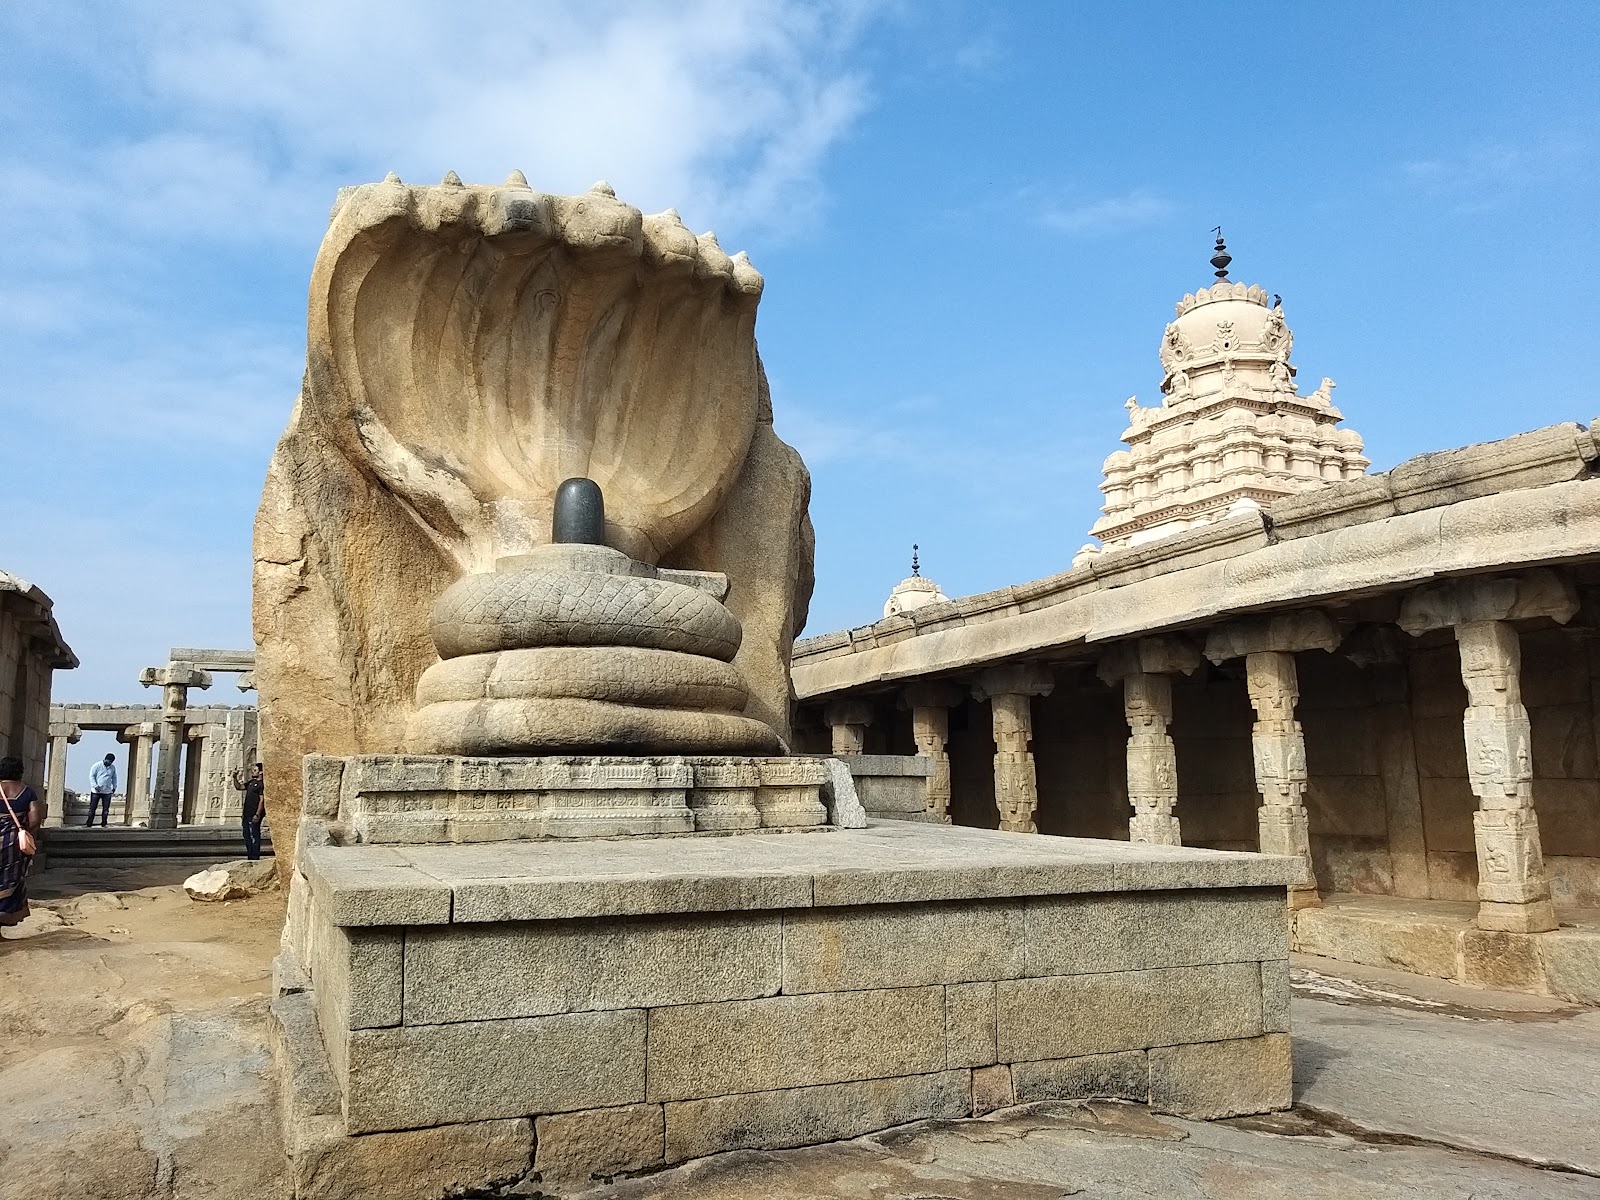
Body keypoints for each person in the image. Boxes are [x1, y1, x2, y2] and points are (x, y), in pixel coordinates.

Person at [0, 755, 44, 928]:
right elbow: (35, 819)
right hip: (13, 847)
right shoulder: (27, 792)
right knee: (10, 881)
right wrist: (24, 832)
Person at [231, 762, 266, 861]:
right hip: (246, 814)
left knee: (254, 835)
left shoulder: (261, 785)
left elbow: (262, 800)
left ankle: (255, 857)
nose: (253, 772)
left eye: (255, 770)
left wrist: (258, 814)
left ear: (261, 772)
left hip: (254, 814)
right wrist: (234, 777)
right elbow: (239, 787)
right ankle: (250, 855)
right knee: (247, 835)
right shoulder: (251, 782)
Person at [88, 752, 117, 827]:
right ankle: (89, 823)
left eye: (111, 762)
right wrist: (95, 785)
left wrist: (114, 787)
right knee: (92, 808)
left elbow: (114, 777)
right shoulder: (97, 765)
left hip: (107, 791)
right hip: (96, 791)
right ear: (106, 759)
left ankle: (104, 824)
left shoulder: (112, 767)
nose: (110, 763)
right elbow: (91, 776)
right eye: (109, 761)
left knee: (106, 810)